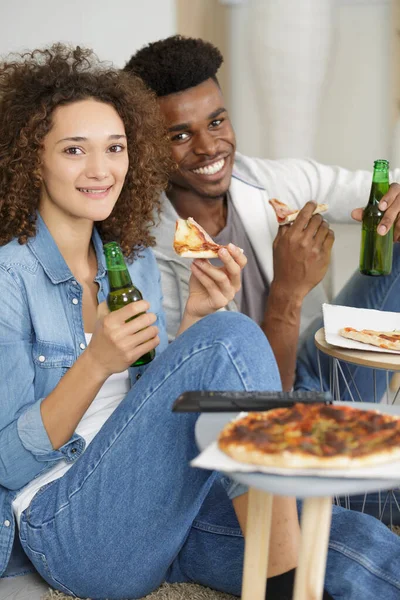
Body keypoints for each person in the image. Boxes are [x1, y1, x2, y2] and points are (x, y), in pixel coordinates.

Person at [0, 43, 332, 600]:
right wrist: (95, 363)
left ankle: (292, 579)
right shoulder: (9, 279)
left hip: (152, 504)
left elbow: (143, 408)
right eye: (75, 150)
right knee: (232, 338)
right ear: (32, 159)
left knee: (345, 543)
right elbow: (7, 462)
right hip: (68, 528)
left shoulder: (133, 262)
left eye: (115, 148)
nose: (101, 170)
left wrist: (194, 323)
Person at [124, 35, 400, 399]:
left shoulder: (267, 180)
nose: (208, 147)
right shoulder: (143, 253)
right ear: (148, 146)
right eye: (180, 135)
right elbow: (254, 398)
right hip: (250, 409)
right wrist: (288, 292)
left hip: (324, 369)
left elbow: (380, 184)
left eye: (217, 122)